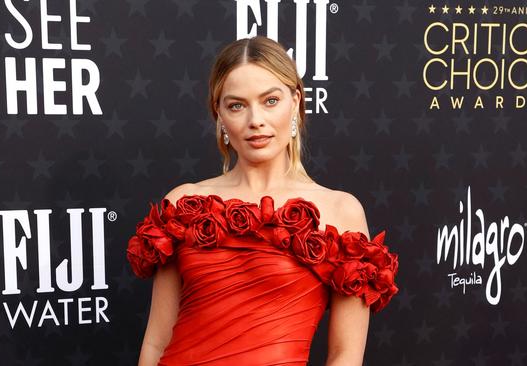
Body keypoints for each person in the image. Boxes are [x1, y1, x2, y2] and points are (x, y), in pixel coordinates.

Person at [126, 36, 399, 366]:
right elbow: (156, 342)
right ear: (220, 115)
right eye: (237, 105)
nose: (255, 120)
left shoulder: (340, 211)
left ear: (296, 102)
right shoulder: (184, 203)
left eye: (270, 100)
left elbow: (345, 355)